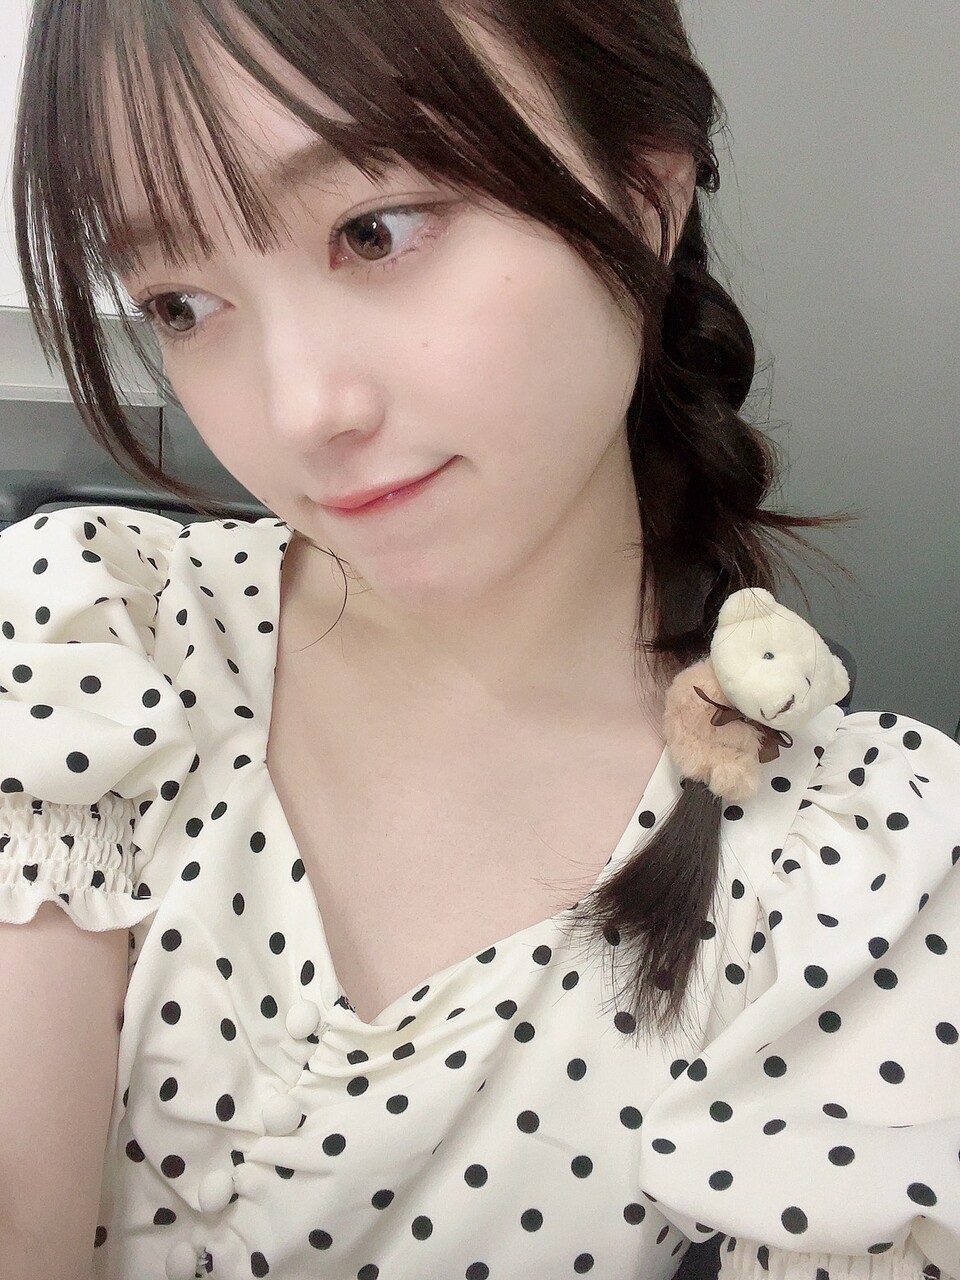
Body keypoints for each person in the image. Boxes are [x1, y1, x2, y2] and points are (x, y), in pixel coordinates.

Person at [1, 1, 957, 1277]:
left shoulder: (861, 882)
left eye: (375, 230)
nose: (302, 408)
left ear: (646, 192)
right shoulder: (88, 631)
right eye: (182, 301)